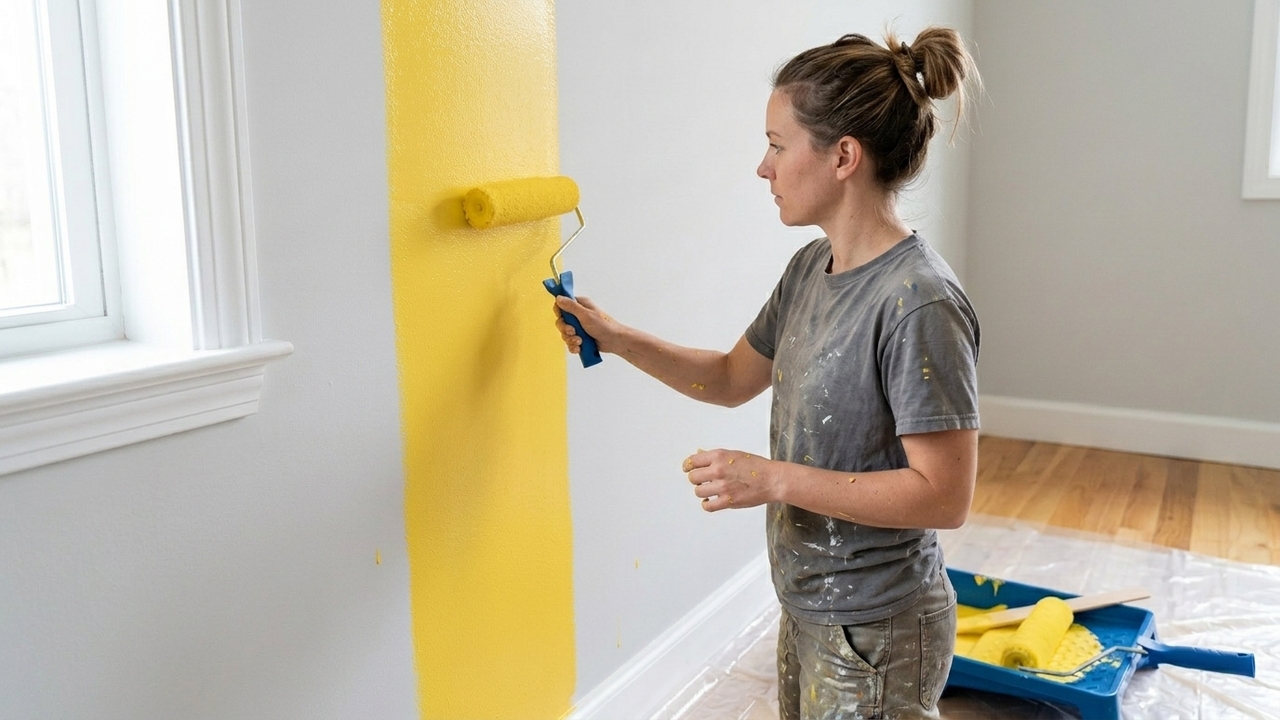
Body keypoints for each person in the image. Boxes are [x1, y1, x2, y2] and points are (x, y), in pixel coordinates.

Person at [554, 27, 980, 720]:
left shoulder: (919, 301)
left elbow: (943, 497)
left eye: (778, 147)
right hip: (809, 602)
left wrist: (775, 478)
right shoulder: (811, 269)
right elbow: (728, 378)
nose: (763, 167)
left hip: (877, 627)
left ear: (844, 156)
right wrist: (618, 338)